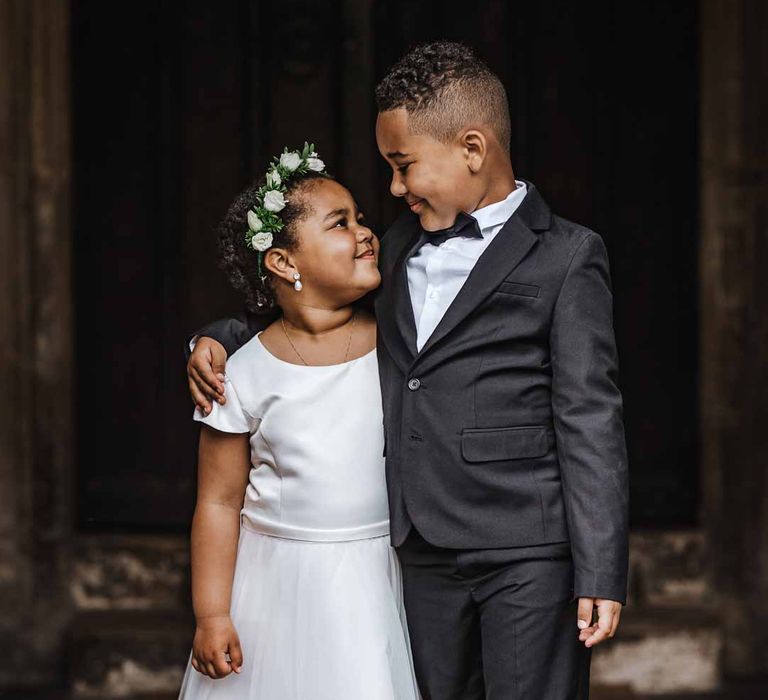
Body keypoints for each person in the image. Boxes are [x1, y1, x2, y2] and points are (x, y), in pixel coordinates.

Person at [188, 43, 629, 700]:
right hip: (417, 552)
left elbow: (590, 412)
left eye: (403, 166)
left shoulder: (567, 255)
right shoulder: (395, 248)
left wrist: (600, 566)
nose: (392, 188)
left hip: (527, 547)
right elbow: (307, 314)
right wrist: (216, 339)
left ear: (472, 149)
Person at [177, 144, 421, 700]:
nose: (364, 231)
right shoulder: (240, 372)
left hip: (378, 575)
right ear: (284, 263)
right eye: (341, 223)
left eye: (361, 218)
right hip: (276, 583)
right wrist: (212, 614)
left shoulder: (399, 344)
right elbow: (217, 502)